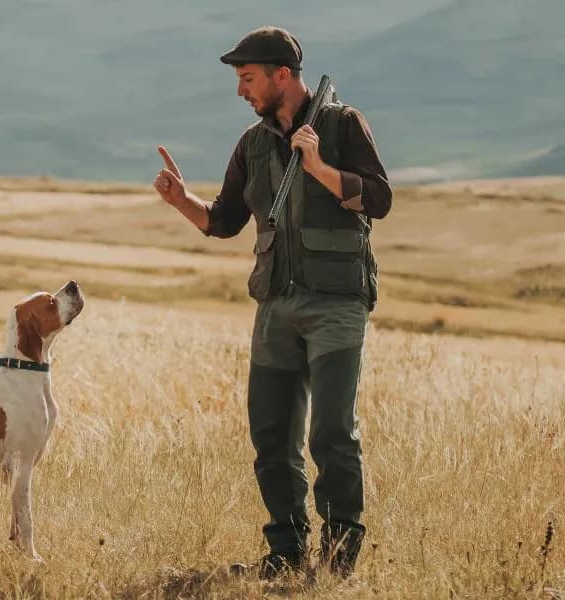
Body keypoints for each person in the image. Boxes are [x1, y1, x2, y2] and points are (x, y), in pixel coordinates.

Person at [153, 25, 392, 580]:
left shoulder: (341, 124)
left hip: (335, 304)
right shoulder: (254, 144)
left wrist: (320, 170)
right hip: (275, 307)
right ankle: (286, 553)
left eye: (248, 78)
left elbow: (378, 199)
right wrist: (180, 200)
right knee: (270, 434)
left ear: (282, 76)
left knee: (331, 433)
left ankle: (336, 562)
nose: (241, 90)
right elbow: (225, 221)